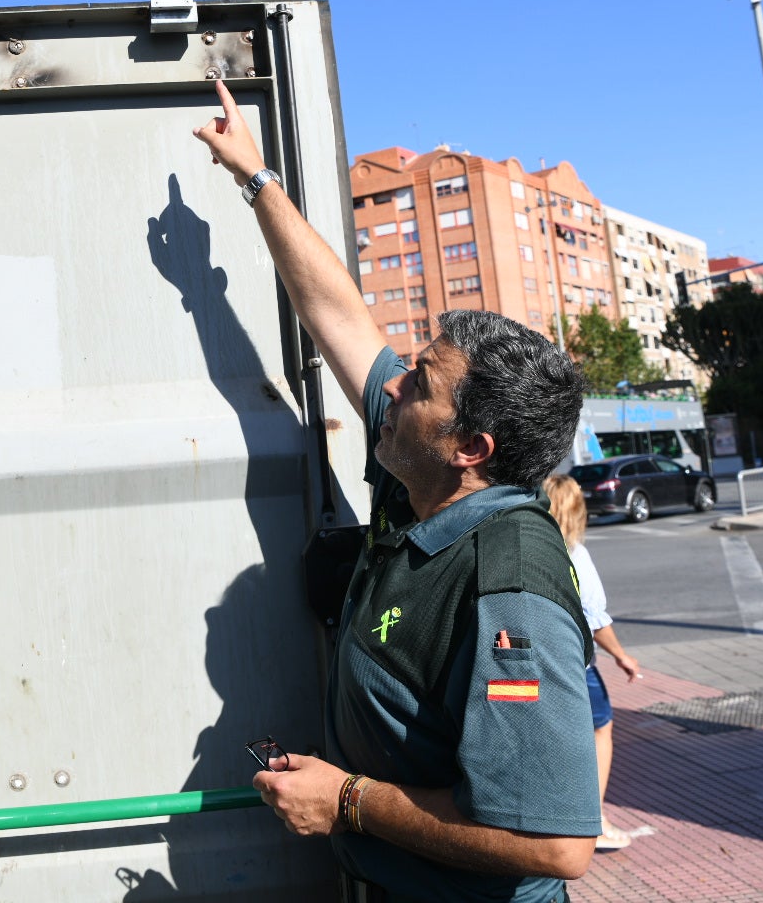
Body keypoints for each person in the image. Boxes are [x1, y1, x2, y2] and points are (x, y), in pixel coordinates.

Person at [193, 81, 599, 902]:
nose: (396, 381)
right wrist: (255, 178)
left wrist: (348, 801)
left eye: (421, 379)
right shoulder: (424, 474)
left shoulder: (507, 579)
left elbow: (555, 844)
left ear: (470, 449)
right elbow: (336, 313)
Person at [543, 474, 643, 852]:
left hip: (539, 664)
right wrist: (622, 656)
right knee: (601, 728)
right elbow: (594, 618)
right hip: (575, 666)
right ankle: (594, 819)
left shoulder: (528, 545)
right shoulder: (575, 553)